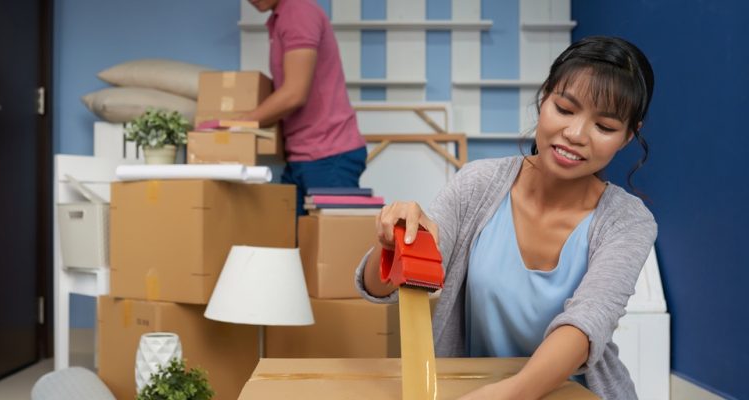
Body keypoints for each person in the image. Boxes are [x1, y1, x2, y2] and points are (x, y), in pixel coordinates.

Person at [355, 36, 656, 400]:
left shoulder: (628, 221)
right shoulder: (477, 185)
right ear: (544, 98)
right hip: (473, 388)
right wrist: (393, 245)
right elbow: (385, 290)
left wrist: (511, 394)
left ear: (627, 137)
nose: (575, 135)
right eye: (564, 109)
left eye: (604, 127)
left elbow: (587, 323)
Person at [242, 0, 367, 215]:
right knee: (296, 242)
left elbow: (294, 93)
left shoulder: (297, 12)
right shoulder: (282, 17)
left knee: (335, 244)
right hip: (304, 154)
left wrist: (240, 123)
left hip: (328, 152)